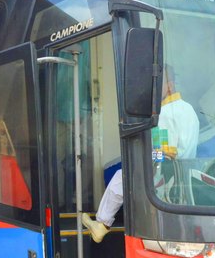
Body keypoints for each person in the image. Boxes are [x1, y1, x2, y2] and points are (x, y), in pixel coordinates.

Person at [81, 67, 199, 242]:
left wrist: (144, 160)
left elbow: (164, 154)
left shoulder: (165, 113)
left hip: (166, 177)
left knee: (121, 177)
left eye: (158, 85)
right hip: (182, 177)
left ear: (170, 86)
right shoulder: (190, 111)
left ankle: (102, 224)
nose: (153, 91)